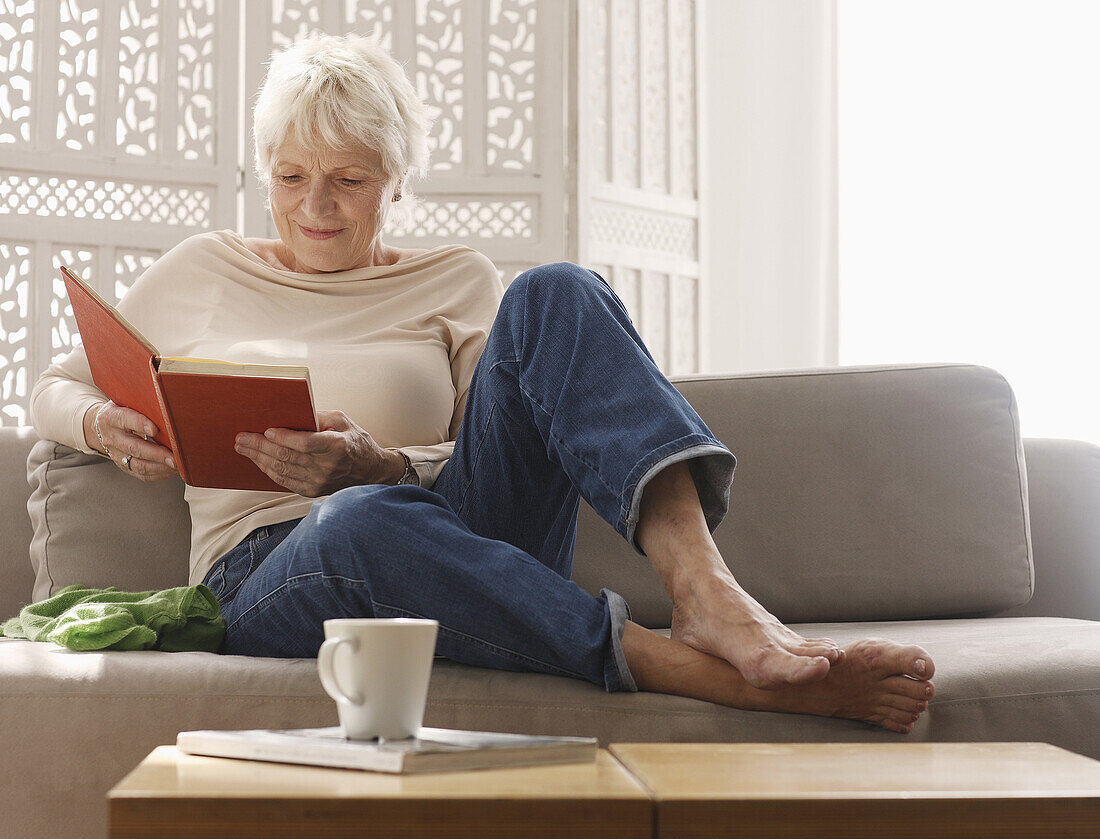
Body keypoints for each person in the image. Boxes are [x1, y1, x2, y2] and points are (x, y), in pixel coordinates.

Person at [31, 34, 934, 732]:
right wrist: (106, 423)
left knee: (556, 289)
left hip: (454, 532)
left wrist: (383, 463)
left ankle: (706, 590)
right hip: (269, 572)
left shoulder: (456, 278)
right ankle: (687, 668)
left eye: (349, 180)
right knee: (355, 523)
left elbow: (505, 443)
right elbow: (51, 389)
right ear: (263, 173)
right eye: (292, 177)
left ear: (396, 182)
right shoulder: (203, 268)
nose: (316, 206)